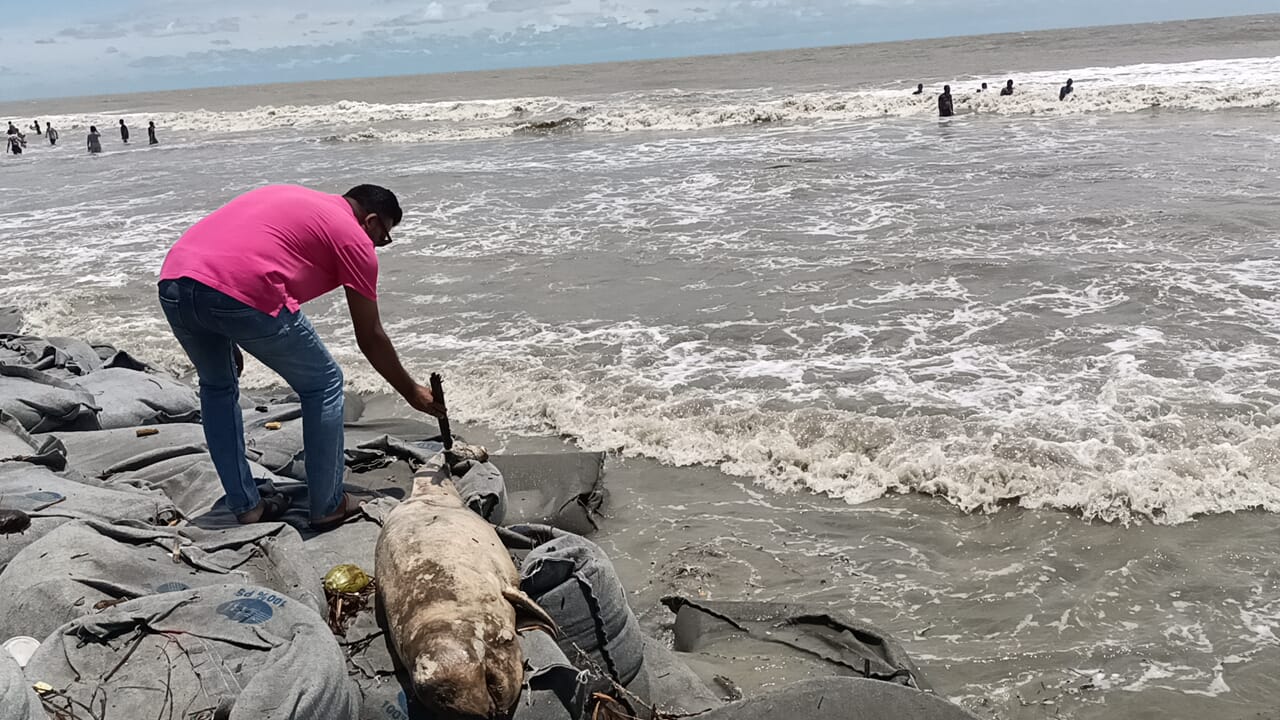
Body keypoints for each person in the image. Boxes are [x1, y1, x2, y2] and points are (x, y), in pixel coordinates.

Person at [156, 184, 445, 529]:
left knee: (217, 387)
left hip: (174, 281)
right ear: (370, 221)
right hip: (241, 287)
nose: (378, 246)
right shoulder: (353, 237)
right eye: (383, 238)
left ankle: (246, 505)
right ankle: (328, 505)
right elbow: (370, 336)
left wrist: (224, 330)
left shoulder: (299, 199)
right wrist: (411, 391)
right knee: (324, 384)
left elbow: (234, 251)